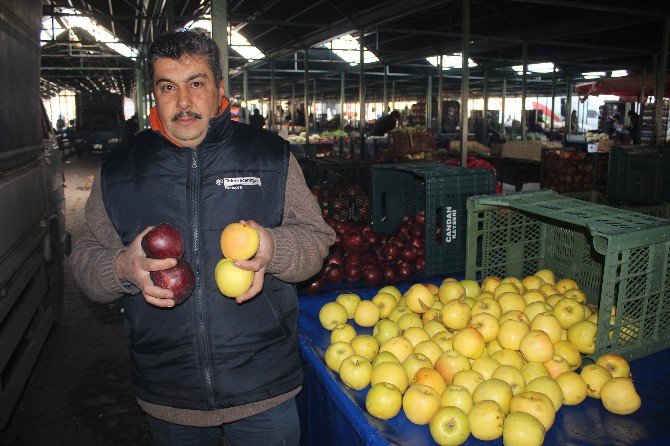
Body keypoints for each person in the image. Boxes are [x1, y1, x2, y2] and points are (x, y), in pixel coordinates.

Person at [70, 30, 335, 446]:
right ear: (153, 96)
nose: (184, 101)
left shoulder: (270, 156)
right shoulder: (119, 171)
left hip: (263, 385)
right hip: (169, 390)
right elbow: (85, 258)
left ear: (218, 89)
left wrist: (273, 248)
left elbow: (318, 241)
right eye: (168, 87)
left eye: (196, 83)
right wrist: (122, 267)